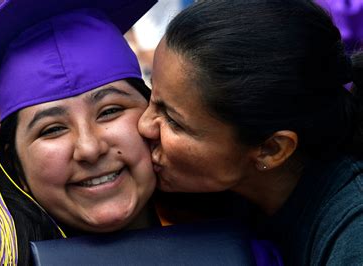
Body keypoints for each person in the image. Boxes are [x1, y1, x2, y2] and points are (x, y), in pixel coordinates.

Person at [0, 1, 285, 265]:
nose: (89, 148)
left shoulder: (239, 247)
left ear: (153, 119)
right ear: (13, 159)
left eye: (111, 111)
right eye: (52, 129)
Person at [138, 0, 363, 265]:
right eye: (152, 96)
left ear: (272, 149)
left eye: (173, 121)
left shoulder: (352, 238)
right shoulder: (231, 194)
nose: (144, 125)